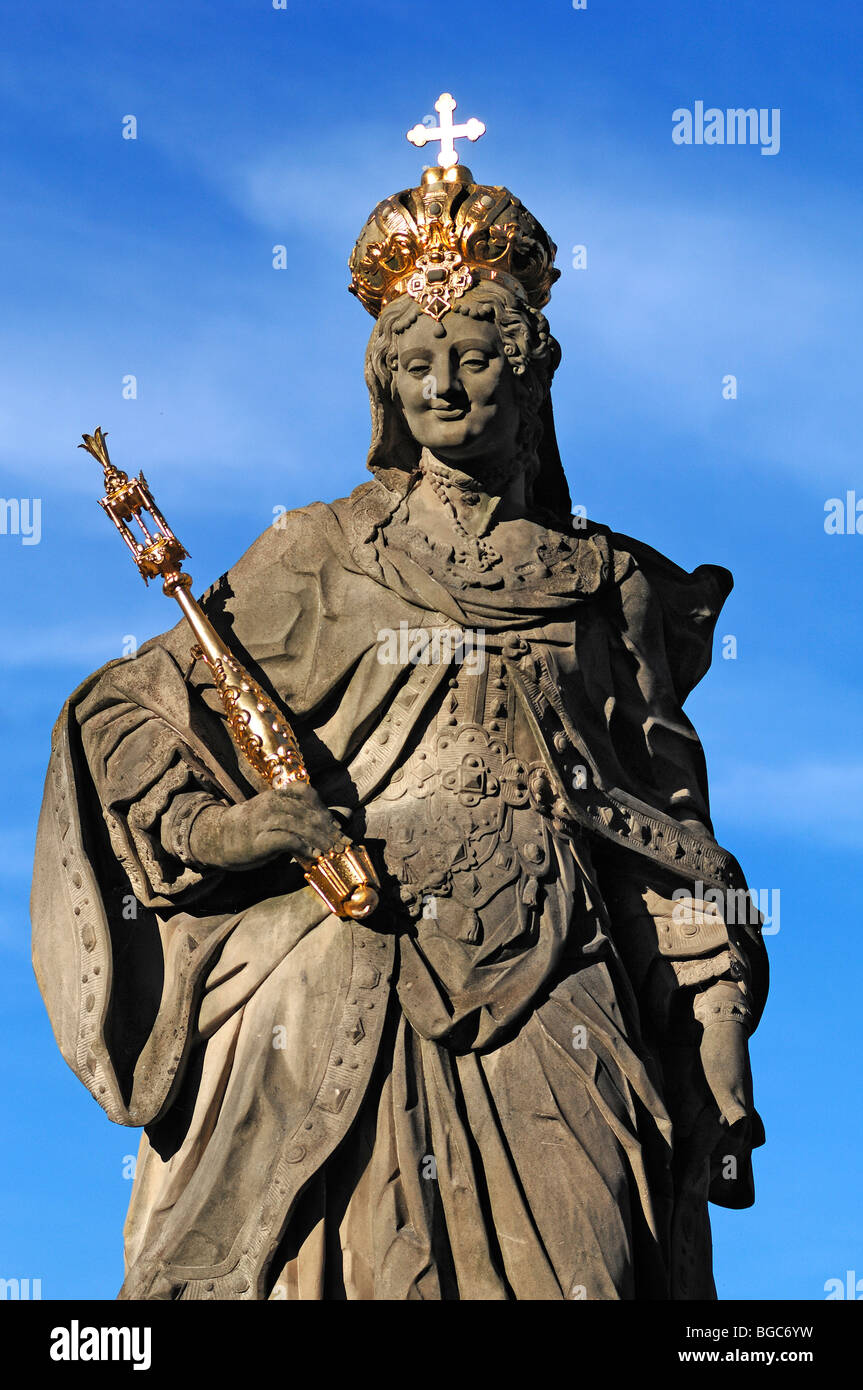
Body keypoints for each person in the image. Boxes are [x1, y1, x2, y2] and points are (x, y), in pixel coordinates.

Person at [31, 149, 766, 1301]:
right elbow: (125, 714)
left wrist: (717, 1029)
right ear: (383, 381)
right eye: (415, 364)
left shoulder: (608, 582)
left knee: (594, 1261)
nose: (443, 388)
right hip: (346, 963)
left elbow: (666, 822)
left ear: (529, 378)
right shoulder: (314, 552)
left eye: (473, 359)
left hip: (557, 969)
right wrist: (241, 829)